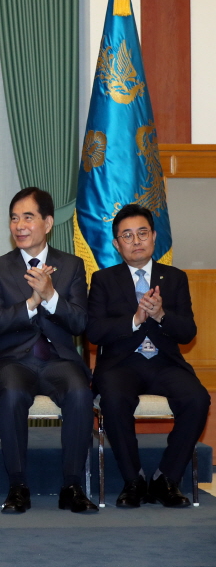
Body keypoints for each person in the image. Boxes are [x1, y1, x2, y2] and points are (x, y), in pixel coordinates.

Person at [0, 187, 96, 514]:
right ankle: (18, 486)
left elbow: (79, 323)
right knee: (13, 395)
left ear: (47, 223)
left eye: (27, 217)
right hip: (12, 361)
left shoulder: (71, 266)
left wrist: (53, 296)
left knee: (79, 393)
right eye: (14, 218)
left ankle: (72, 486)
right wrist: (33, 301)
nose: (19, 225)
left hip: (58, 361)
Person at [87, 203, 210, 508]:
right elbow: (94, 332)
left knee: (197, 399)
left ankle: (166, 479)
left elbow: (188, 332)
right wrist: (135, 320)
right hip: (121, 365)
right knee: (114, 399)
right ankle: (133, 480)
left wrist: (162, 314)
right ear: (117, 244)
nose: (136, 240)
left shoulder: (175, 277)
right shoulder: (103, 280)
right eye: (127, 236)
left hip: (165, 363)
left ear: (154, 236)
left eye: (142, 233)